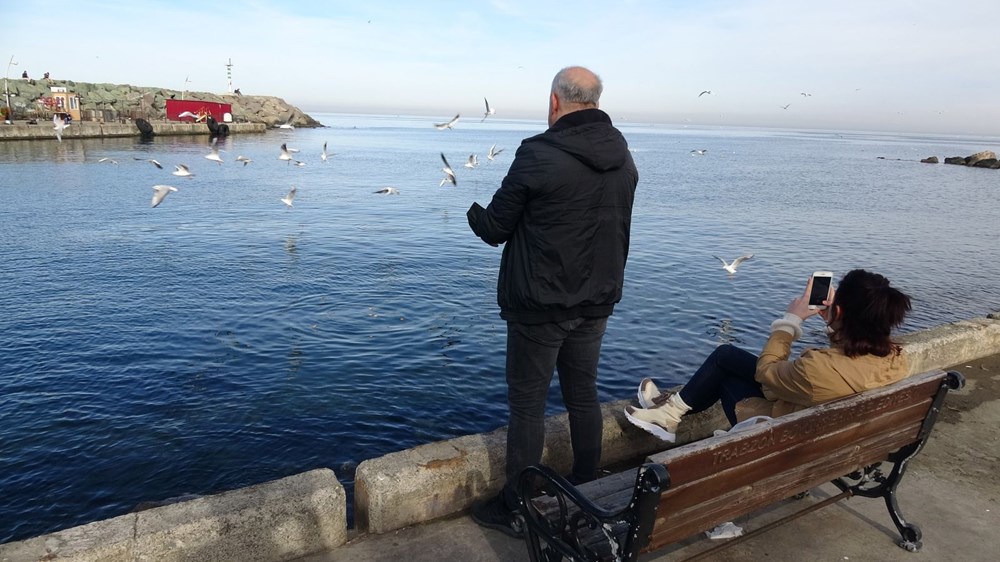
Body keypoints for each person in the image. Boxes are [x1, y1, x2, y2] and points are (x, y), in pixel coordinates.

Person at [466, 66, 638, 537]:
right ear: (597, 102)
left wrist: (472, 212)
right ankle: (587, 480)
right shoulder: (624, 158)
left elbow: (496, 228)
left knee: (527, 406)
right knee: (583, 395)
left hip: (541, 305)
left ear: (555, 102)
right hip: (597, 302)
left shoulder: (539, 153)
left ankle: (517, 505)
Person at [625, 269, 912, 442]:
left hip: (782, 438)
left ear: (837, 311)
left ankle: (669, 414)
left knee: (725, 371)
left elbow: (767, 371)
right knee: (726, 353)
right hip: (831, 438)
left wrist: (791, 320)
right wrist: (836, 320)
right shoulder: (897, 361)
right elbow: (844, 360)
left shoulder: (818, 369)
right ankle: (669, 410)